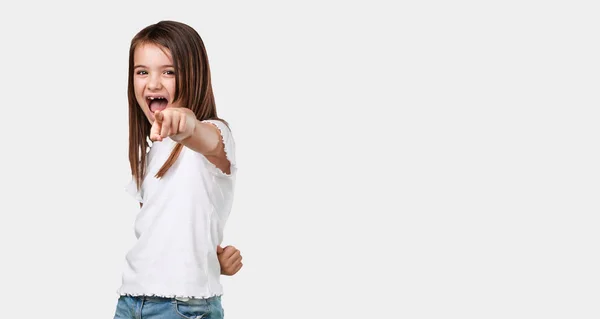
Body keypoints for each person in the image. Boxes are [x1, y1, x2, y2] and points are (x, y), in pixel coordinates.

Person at [113, 20, 241, 319]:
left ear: (194, 75)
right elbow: (167, 229)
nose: (153, 83)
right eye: (142, 71)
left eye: (168, 72)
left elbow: (203, 138)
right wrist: (213, 259)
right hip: (131, 299)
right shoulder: (149, 153)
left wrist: (187, 124)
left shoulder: (215, 133)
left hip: (180, 306)